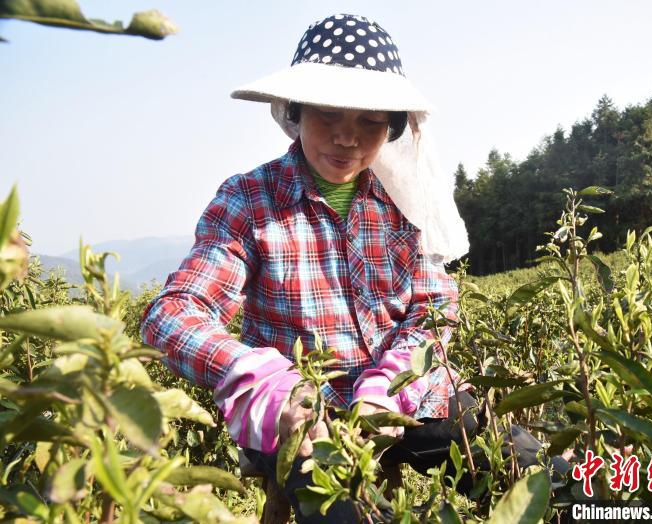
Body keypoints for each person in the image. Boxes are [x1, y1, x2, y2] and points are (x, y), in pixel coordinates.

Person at [141, 13, 562, 522]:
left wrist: (391, 384)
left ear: (392, 128)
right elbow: (174, 313)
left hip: (412, 399)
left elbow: (435, 303)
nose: (347, 139)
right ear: (296, 113)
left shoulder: (402, 199)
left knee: (549, 480)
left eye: (369, 123)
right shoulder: (250, 199)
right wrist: (268, 383)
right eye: (329, 116)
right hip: (305, 421)